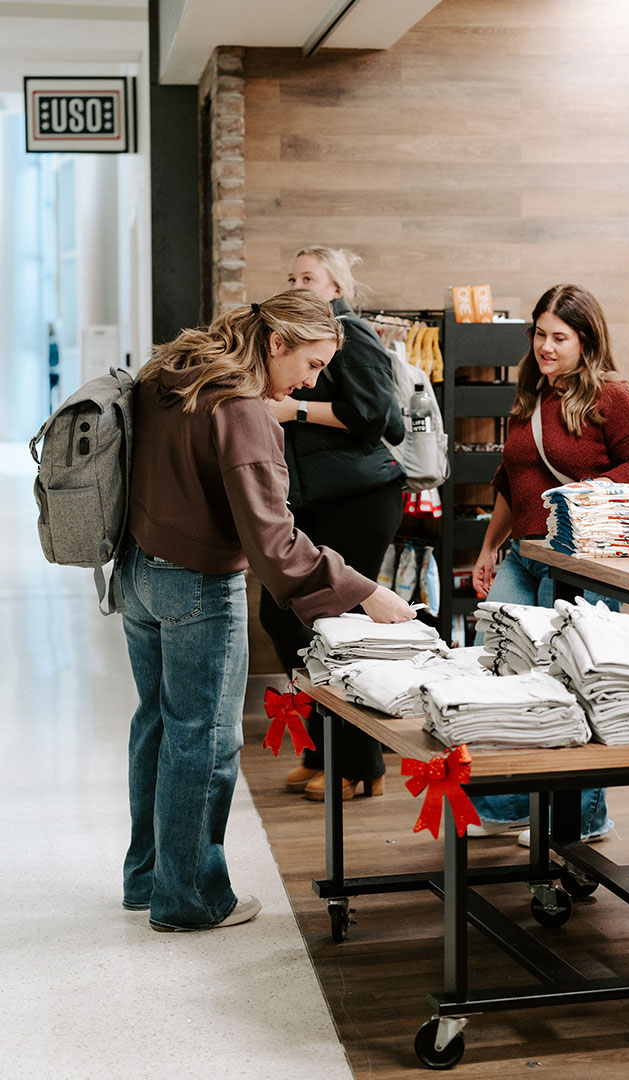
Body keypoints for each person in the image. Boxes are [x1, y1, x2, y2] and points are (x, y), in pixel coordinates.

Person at [119, 290, 415, 932]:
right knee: (204, 738)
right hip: (196, 582)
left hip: (137, 571)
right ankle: (190, 898)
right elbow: (275, 542)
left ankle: (148, 879)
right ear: (277, 343)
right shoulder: (242, 407)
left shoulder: (173, 371)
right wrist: (365, 591)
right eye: (311, 365)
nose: (311, 382)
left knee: (158, 726)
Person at [469, 283, 629, 845]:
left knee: (574, 680)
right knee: (503, 670)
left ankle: (584, 817)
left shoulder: (611, 395)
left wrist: (578, 493)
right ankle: (507, 804)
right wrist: (488, 548)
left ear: (586, 340)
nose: (546, 347)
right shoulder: (532, 393)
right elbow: (510, 481)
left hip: (582, 560)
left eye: (559, 337)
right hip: (525, 555)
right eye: (540, 334)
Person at [259, 246, 406, 802]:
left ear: (336, 287)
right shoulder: (299, 339)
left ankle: (358, 762)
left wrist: (292, 410)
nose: (297, 284)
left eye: (309, 277)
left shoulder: (351, 334)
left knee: (341, 627)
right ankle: (324, 751)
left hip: (361, 497)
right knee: (284, 616)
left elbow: (376, 417)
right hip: (314, 500)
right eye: (291, 276)